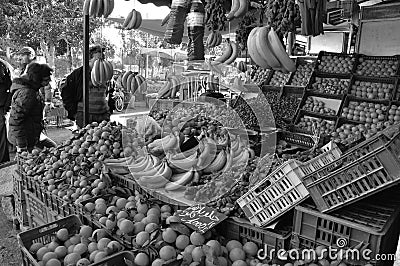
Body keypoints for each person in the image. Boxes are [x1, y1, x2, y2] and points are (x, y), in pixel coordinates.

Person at [8, 63, 53, 152]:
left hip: (32, 134)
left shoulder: (33, 89)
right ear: (37, 79)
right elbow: (16, 120)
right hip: (24, 138)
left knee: (51, 147)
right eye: (46, 79)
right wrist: (22, 145)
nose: (49, 81)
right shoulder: (27, 93)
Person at [61, 45, 110, 128]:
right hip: (85, 115)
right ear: (89, 60)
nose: (101, 62)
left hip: (103, 115)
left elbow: (108, 93)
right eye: (97, 60)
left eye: (103, 60)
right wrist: (74, 113)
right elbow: (66, 93)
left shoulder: (105, 74)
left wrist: (108, 110)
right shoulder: (79, 74)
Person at [0, 58, 13, 163]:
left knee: (1, 137)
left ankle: (3, 163)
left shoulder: (3, 65)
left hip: (1, 107)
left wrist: (6, 108)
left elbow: (11, 88)